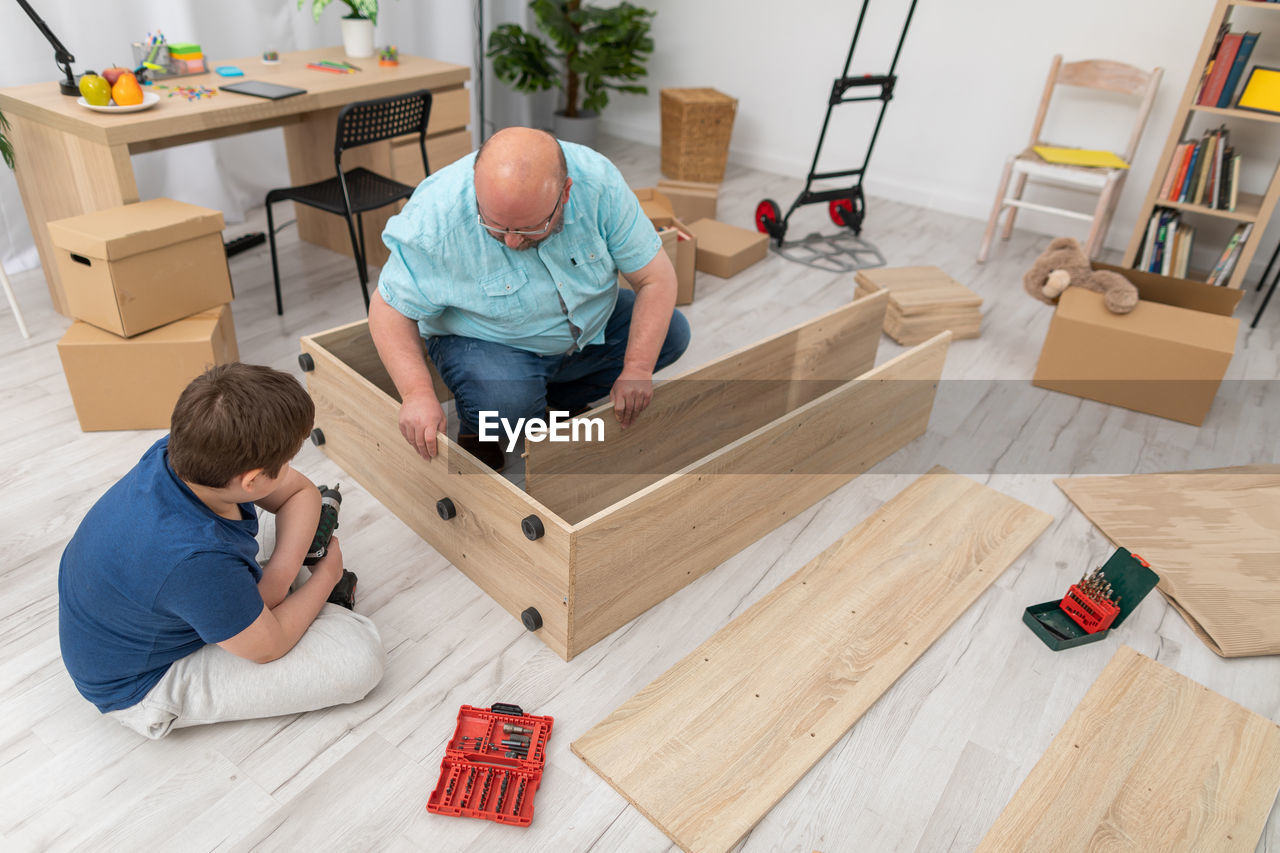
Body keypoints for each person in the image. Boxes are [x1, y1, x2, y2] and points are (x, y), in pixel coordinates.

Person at [58, 363, 385, 739]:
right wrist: (326, 577)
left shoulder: (181, 453)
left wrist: (276, 582)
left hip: (148, 596)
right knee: (359, 658)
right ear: (251, 480)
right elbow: (269, 646)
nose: (291, 467)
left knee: (281, 528)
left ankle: (260, 600)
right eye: (287, 461)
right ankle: (283, 604)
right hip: (143, 682)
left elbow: (300, 492)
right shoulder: (196, 563)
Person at [369, 126, 691, 471]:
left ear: (565, 193)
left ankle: (555, 402)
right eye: (495, 226)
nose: (510, 241)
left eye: (527, 229)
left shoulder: (599, 184)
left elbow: (655, 279)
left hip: (586, 324)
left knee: (672, 334)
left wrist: (637, 368)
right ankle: (481, 430)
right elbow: (388, 307)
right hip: (485, 338)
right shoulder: (435, 217)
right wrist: (416, 393)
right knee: (508, 407)